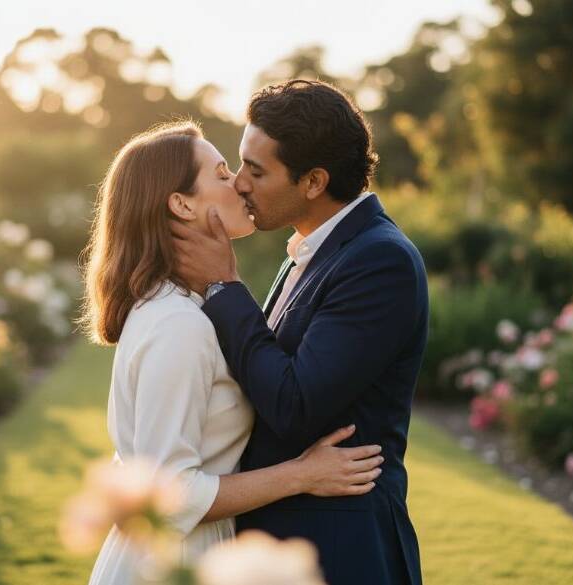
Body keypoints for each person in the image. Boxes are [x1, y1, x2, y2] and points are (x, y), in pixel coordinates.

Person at [78, 120, 384, 585]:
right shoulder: (177, 325)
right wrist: (301, 475)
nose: (239, 184)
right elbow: (170, 492)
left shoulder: (186, 309)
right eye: (222, 174)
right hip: (165, 564)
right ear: (181, 204)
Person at [170, 80, 429, 585]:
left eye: (257, 170)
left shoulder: (380, 260)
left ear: (313, 182)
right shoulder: (311, 251)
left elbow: (294, 404)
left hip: (340, 551)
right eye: (241, 163)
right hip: (282, 543)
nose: (240, 182)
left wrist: (225, 287)